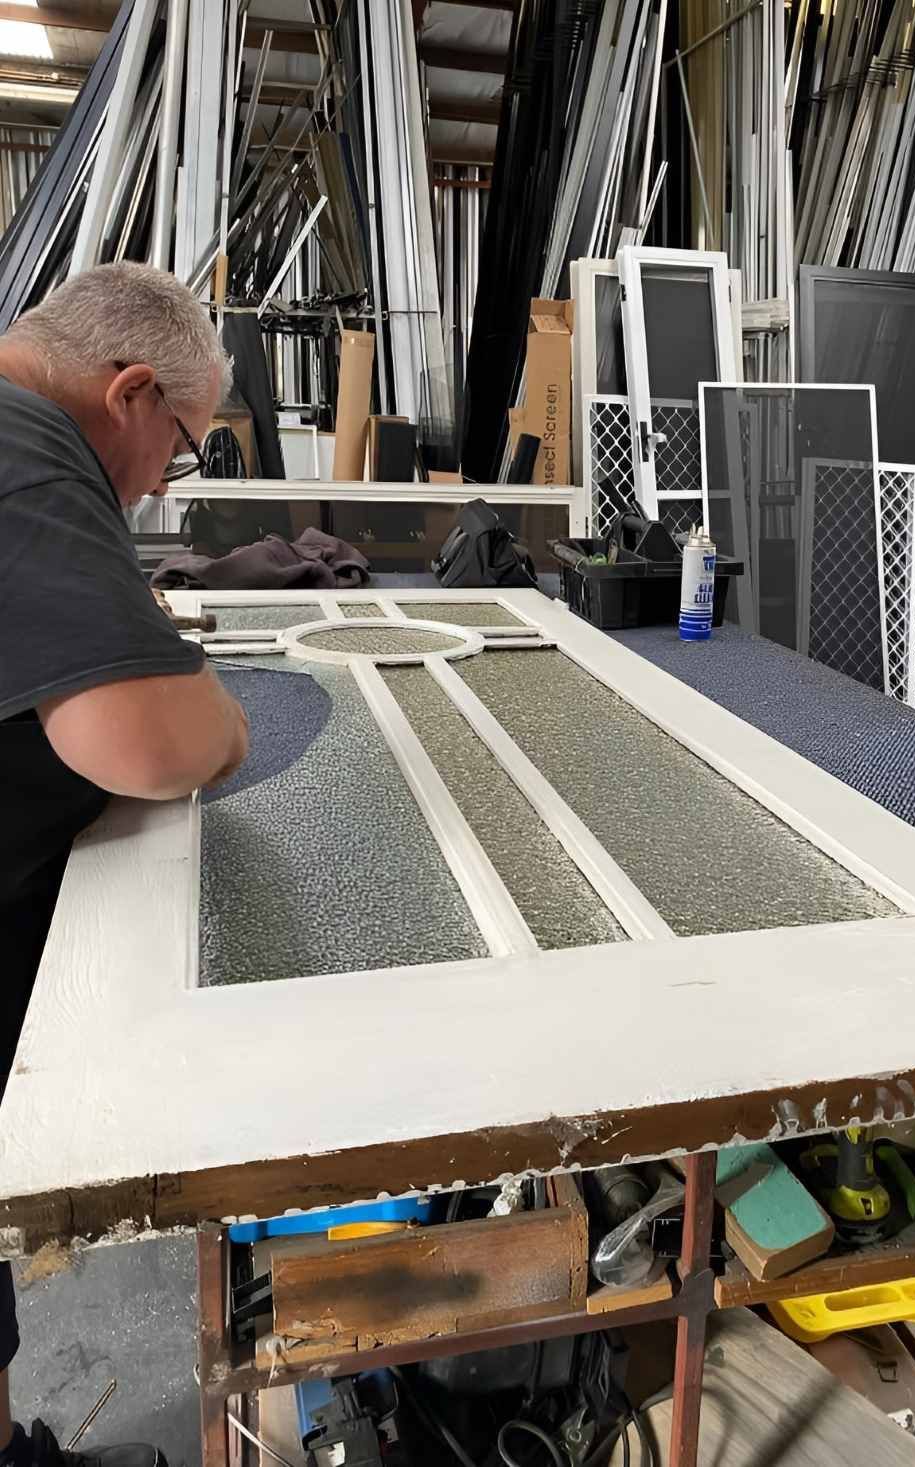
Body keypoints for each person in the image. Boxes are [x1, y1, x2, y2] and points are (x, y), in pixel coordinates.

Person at [0, 264, 250, 1467]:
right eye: (181, 447)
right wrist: (219, 715)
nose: (161, 482)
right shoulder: (30, 445)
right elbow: (154, 743)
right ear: (134, 391)